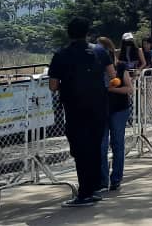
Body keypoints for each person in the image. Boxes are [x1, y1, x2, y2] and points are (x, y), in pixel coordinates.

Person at [47, 18, 113, 207]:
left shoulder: (61, 55)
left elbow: (53, 85)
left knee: (80, 150)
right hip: (99, 107)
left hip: (75, 108)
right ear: (87, 32)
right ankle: (93, 188)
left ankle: (84, 193)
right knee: (94, 147)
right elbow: (112, 74)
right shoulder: (100, 51)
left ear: (69, 33)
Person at [98, 36, 133, 192]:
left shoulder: (121, 67)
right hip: (100, 110)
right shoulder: (95, 68)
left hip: (119, 109)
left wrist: (111, 90)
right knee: (101, 146)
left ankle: (116, 178)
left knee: (117, 144)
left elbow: (129, 89)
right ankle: (102, 180)